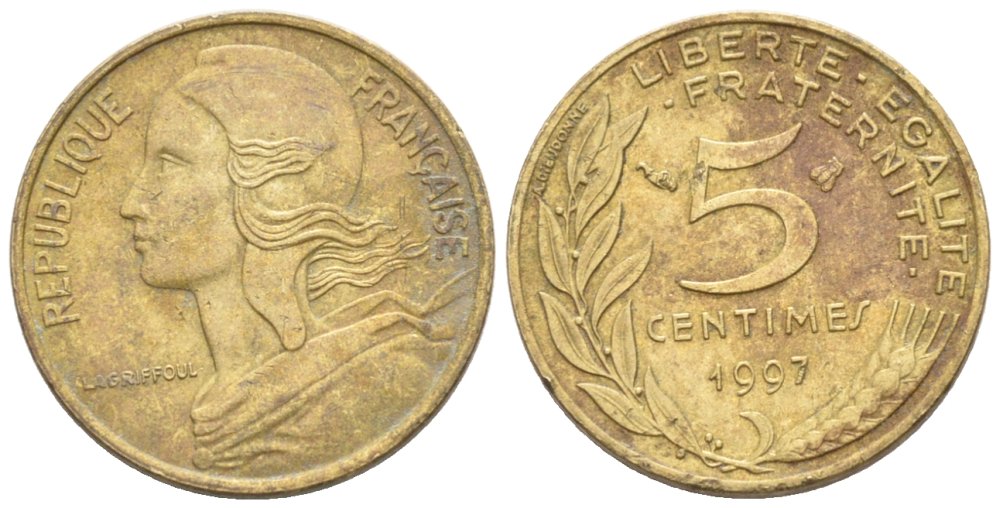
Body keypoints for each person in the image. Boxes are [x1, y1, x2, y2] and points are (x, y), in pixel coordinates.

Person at [120, 44, 466, 472]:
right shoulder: (228, 405)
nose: (131, 204)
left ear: (272, 194)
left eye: (169, 164)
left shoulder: (373, 387)